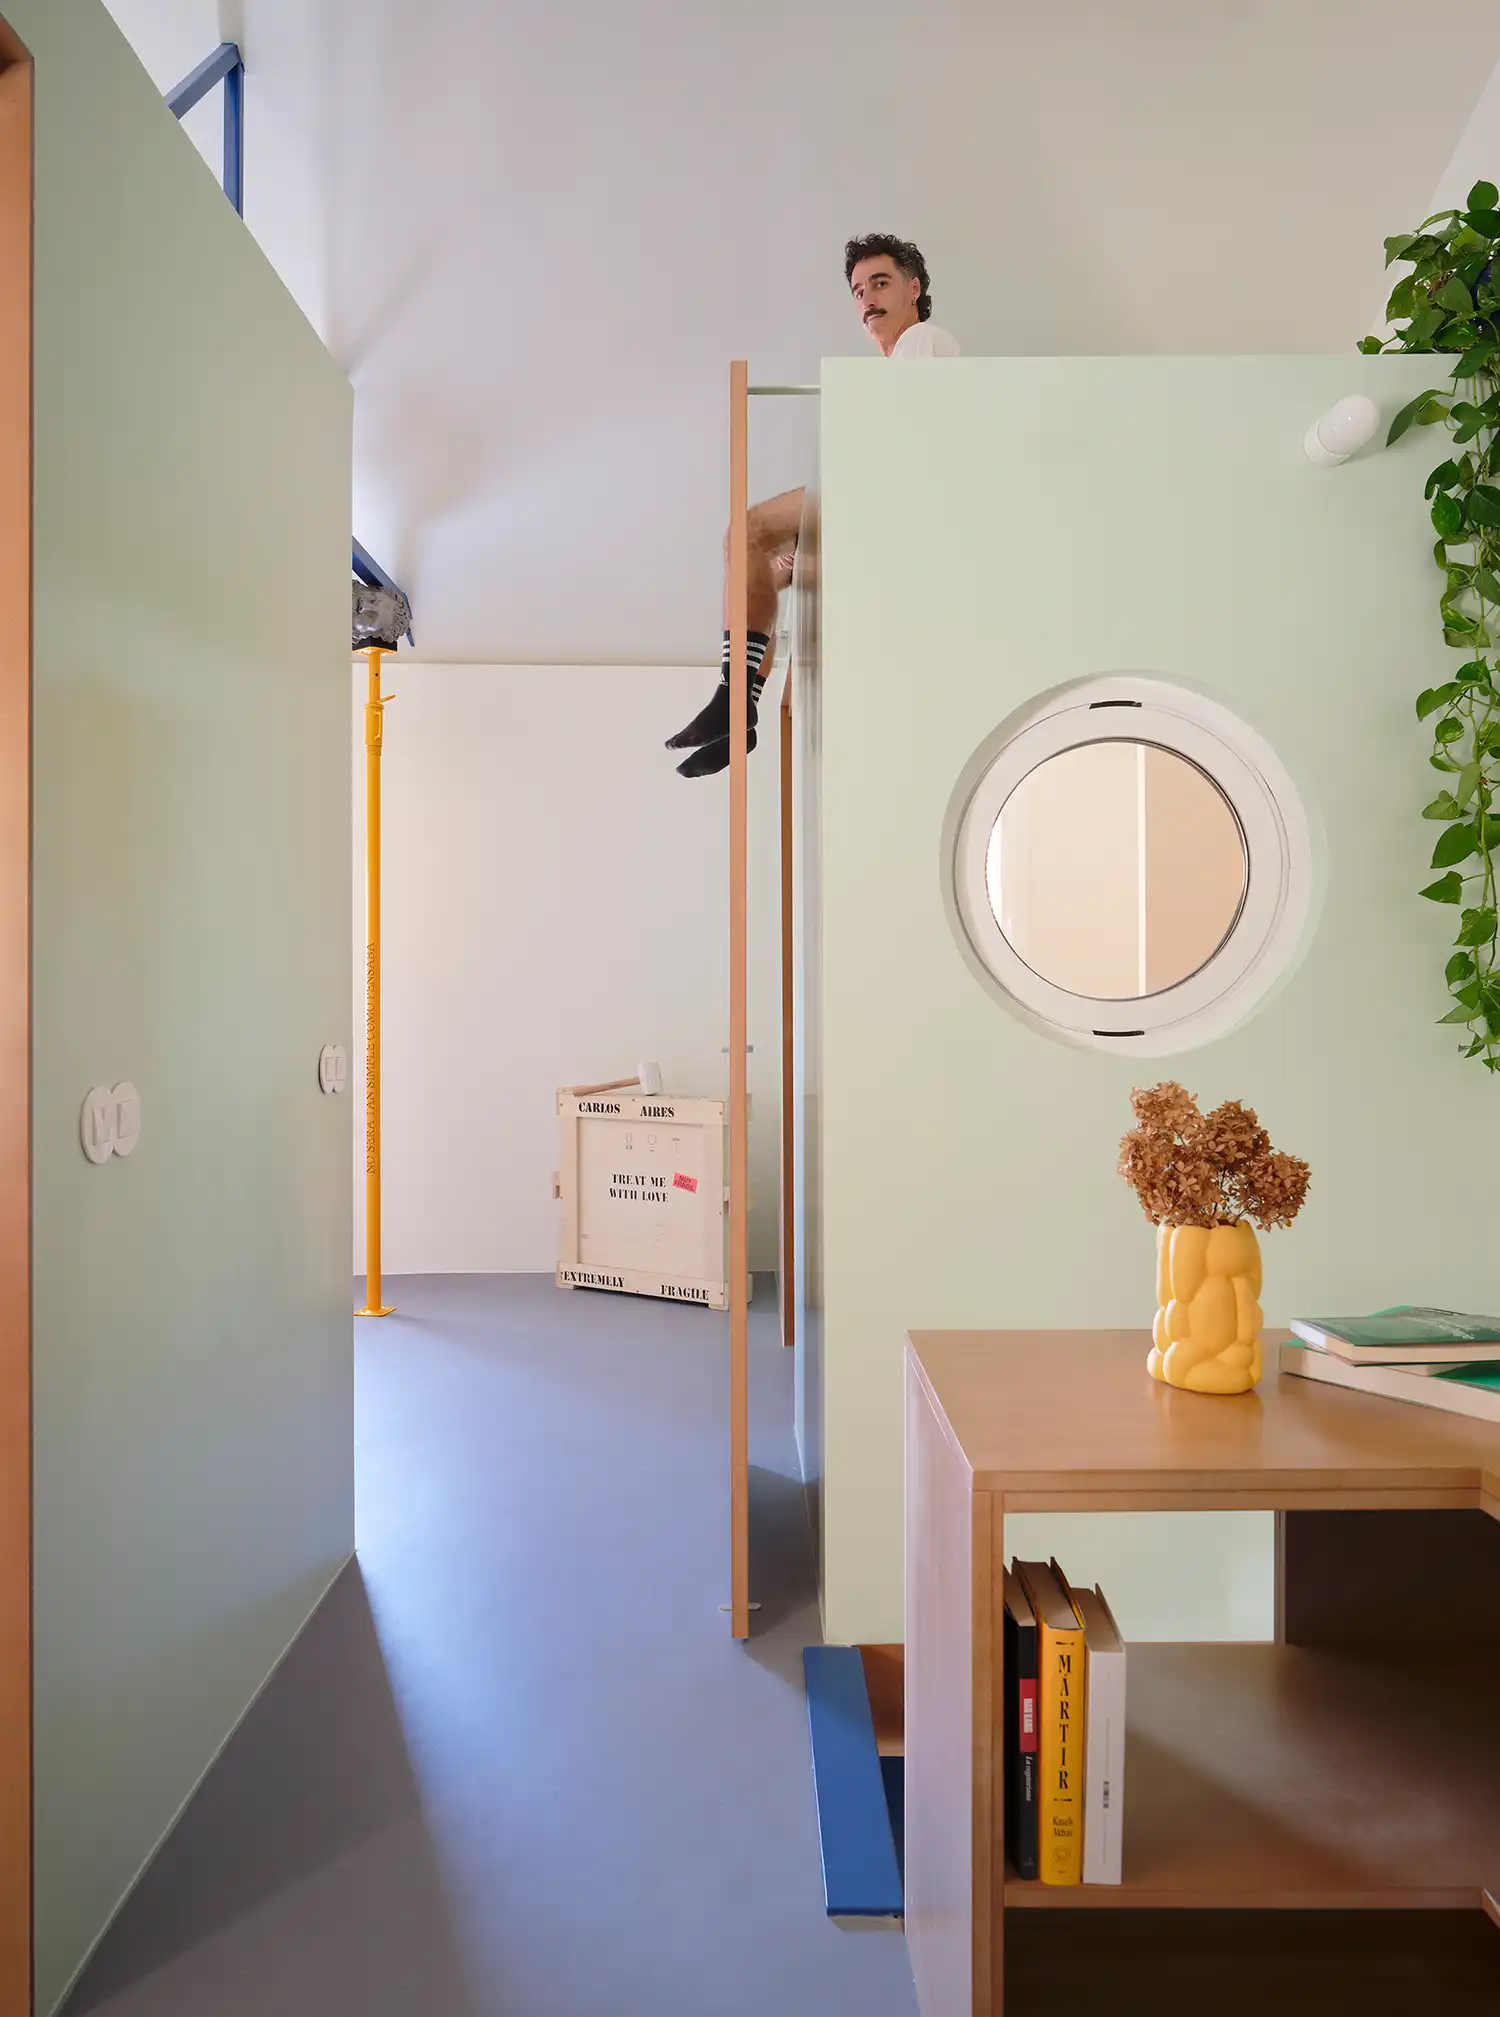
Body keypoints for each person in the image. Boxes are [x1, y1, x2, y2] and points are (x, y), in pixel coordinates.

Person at [668, 233, 960, 777]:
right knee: (765, 566)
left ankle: (733, 701)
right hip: (869, 520)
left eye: (881, 283)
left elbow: (914, 446)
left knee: (748, 532)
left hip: (883, 501)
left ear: (913, 288)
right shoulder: (888, 366)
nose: (867, 298)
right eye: (857, 290)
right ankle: (742, 708)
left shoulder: (924, 341)